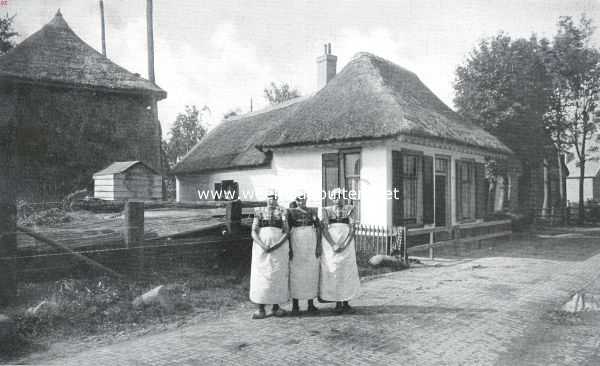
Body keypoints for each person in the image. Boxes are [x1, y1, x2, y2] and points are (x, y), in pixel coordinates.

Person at [249, 190, 290, 319]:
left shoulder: (283, 211)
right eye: (269, 198)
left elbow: (286, 231)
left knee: (276, 275)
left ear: (277, 199)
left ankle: (276, 307)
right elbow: (254, 231)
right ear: (266, 198)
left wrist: (276, 245)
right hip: (261, 250)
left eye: (274, 198)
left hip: (279, 249)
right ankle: (260, 309)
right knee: (261, 276)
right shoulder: (259, 211)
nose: (272, 200)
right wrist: (262, 245)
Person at [319, 188, 360, 313]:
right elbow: (324, 229)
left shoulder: (351, 209)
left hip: (347, 245)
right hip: (331, 245)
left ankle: (346, 301)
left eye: (341, 196)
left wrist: (345, 244)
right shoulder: (326, 210)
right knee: (334, 271)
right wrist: (333, 245)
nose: (338, 199)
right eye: (336, 196)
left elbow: (353, 229)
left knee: (346, 272)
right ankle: (337, 301)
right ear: (332, 198)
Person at [287, 193, 321, 315]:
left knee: (310, 273)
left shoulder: (312, 211)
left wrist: (318, 246)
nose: (302, 202)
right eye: (299, 200)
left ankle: (310, 304)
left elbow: (318, 228)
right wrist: (290, 248)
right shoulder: (290, 212)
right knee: (296, 273)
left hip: (310, 243)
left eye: (304, 199)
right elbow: (287, 230)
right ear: (296, 200)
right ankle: (295, 305)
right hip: (296, 242)